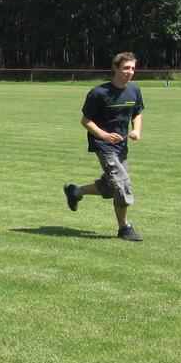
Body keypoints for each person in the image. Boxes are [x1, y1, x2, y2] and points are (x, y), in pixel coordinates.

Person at [63, 51, 145, 241]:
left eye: (133, 68)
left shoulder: (134, 91)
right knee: (122, 184)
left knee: (110, 186)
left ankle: (76, 191)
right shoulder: (98, 93)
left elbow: (137, 113)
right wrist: (104, 135)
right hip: (103, 145)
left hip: (122, 146)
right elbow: (86, 120)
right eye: (126, 68)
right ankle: (124, 228)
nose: (130, 72)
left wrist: (137, 131)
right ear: (115, 68)